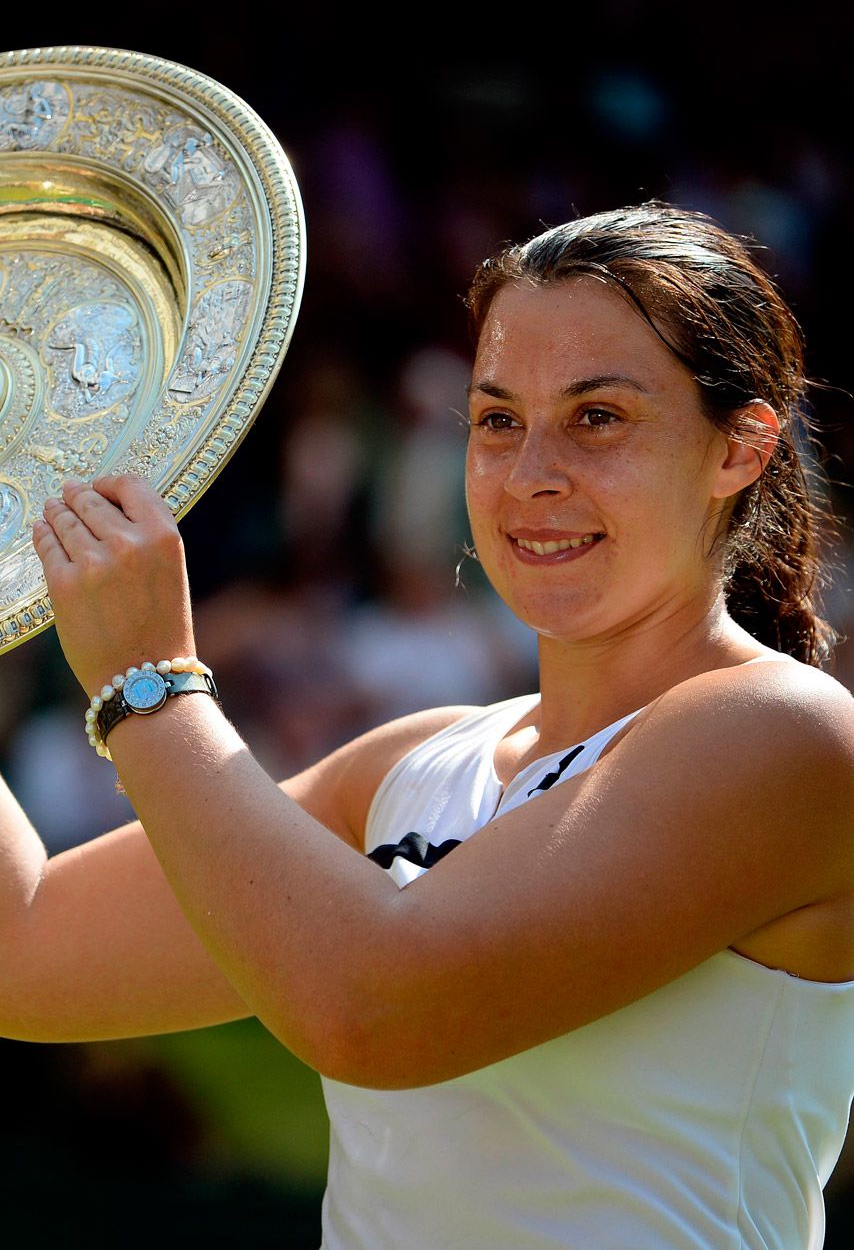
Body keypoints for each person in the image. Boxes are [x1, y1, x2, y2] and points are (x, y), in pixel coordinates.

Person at [2, 203, 853, 1249]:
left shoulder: (785, 732)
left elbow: (376, 1010)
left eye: (597, 416)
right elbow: (23, 945)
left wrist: (151, 684)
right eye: (497, 418)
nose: (531, 470)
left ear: (739, 448)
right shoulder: (414, 759)